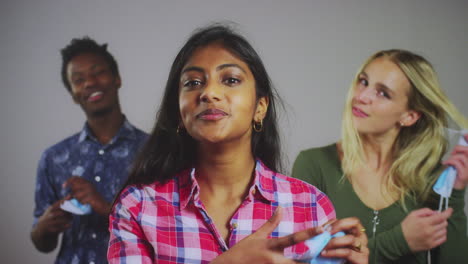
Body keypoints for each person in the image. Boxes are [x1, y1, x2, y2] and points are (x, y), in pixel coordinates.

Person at [108, 24, 369, 264]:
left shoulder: (310, 205)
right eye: (193, 83)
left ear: (260, 107)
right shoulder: (138, 207)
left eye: (230, 80)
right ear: (179, 113)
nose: (209, 93)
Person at [292, 49, 468, 263]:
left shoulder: (433, 180)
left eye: (383, 93)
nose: (361, 96)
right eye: (363, 82)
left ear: (409, 116)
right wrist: (399, 241)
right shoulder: (314, 165)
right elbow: (302, 259)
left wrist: (455, 195)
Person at [31, 37, 148, 264]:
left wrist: (105, 208)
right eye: (78, 80)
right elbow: (42, 244)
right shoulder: (53, 158)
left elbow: (168, 230)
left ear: (117, 79)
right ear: (74, 94)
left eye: (98, 72)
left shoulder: (153, 151)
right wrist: (44, 227)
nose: (89, 83)